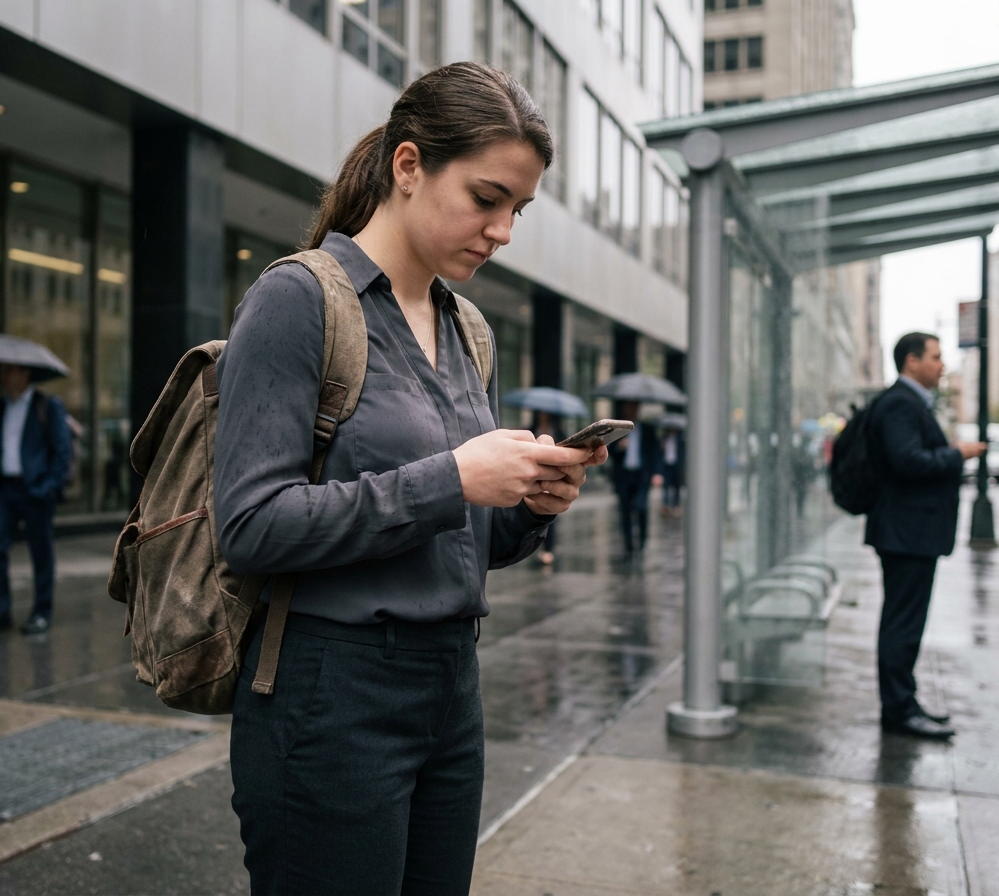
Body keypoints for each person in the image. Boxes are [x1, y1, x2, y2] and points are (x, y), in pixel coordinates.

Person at [212, 62, 606, 895]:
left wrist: (531, 505)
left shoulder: (470, 329)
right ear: (408, 165)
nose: (503, 230)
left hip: (451, 689)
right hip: (330, 691)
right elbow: (248, 528)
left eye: (520, 210)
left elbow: (468, 542)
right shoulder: (299, 298)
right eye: (488, 197)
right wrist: (453, 478)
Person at [865, 332, 985, 739]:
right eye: (935, 357)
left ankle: (903, 703)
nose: (941, 364)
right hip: (905, 533)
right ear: (911, 361)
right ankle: (898, 710)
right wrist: (958, 454)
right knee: (902, 624)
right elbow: (908, 461)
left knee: (906, 622)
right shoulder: (901, 402)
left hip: (909, 532)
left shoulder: (908, 401)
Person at [0, 362, 72, 637]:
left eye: (8, 370)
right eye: (1, 371)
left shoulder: (47, 405)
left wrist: (48, 487)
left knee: (40, 552)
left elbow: (63, 451)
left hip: (35, 489)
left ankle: (41, 612)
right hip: (5, 489)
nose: (3, 376)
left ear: (25, 373)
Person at [611, 400, 663, 558]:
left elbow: (655, 453)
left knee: (641, 507)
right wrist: (619, 447)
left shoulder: (648, 429)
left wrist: (657, 473)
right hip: (624, 475)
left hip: (642, 475)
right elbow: (608, 451)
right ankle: (628, 545)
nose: (631, 411)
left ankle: (641, 542)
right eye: (628, 407)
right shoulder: (618, 428)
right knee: (625, 510)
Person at [531, 410, 567, 564]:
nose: (543, 415)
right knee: (533, 511)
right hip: (534, 477)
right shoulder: (530, 431)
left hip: (552, 476)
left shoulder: (559, 432)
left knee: (550, 511)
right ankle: (534, 545)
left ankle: (548, 548)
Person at [659, 424, 684, 515]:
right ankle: (666, 505)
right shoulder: (664, 438)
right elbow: (660, 452)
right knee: (666, 486)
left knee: (676, 486)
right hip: (667, 464)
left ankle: (676, 505)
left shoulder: (680, 438)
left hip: (676, 465)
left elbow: (682, 451)